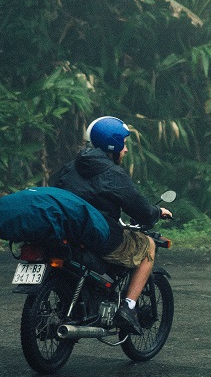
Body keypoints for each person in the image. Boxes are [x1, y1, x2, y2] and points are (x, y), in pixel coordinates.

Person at [50, 116, 172, 335]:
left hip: (67, 232)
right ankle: (128, 307)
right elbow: (139, 208)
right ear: (113, 145)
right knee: (148, 247)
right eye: (123, 144)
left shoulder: (70, 167)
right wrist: (156, 212)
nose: (125, 150)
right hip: (97, 235)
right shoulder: (112, 173)